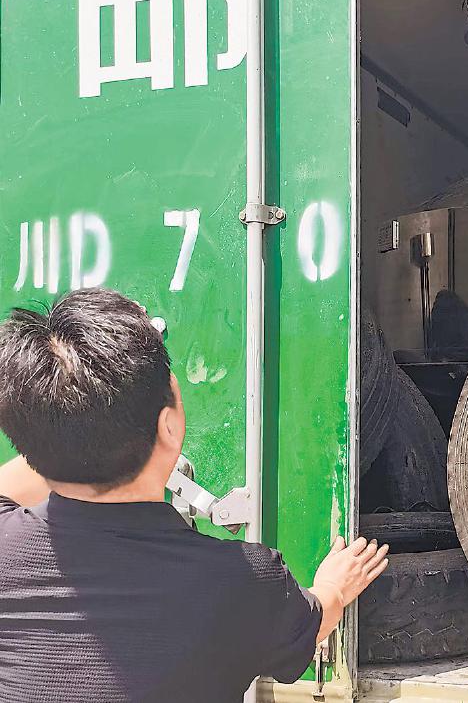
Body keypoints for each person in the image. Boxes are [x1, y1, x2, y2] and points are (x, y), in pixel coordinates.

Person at [0, 288, 389, 701]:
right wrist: (334, 586)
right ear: (169, 427)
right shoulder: (246, 582)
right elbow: (315, 620)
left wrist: (61, 417)